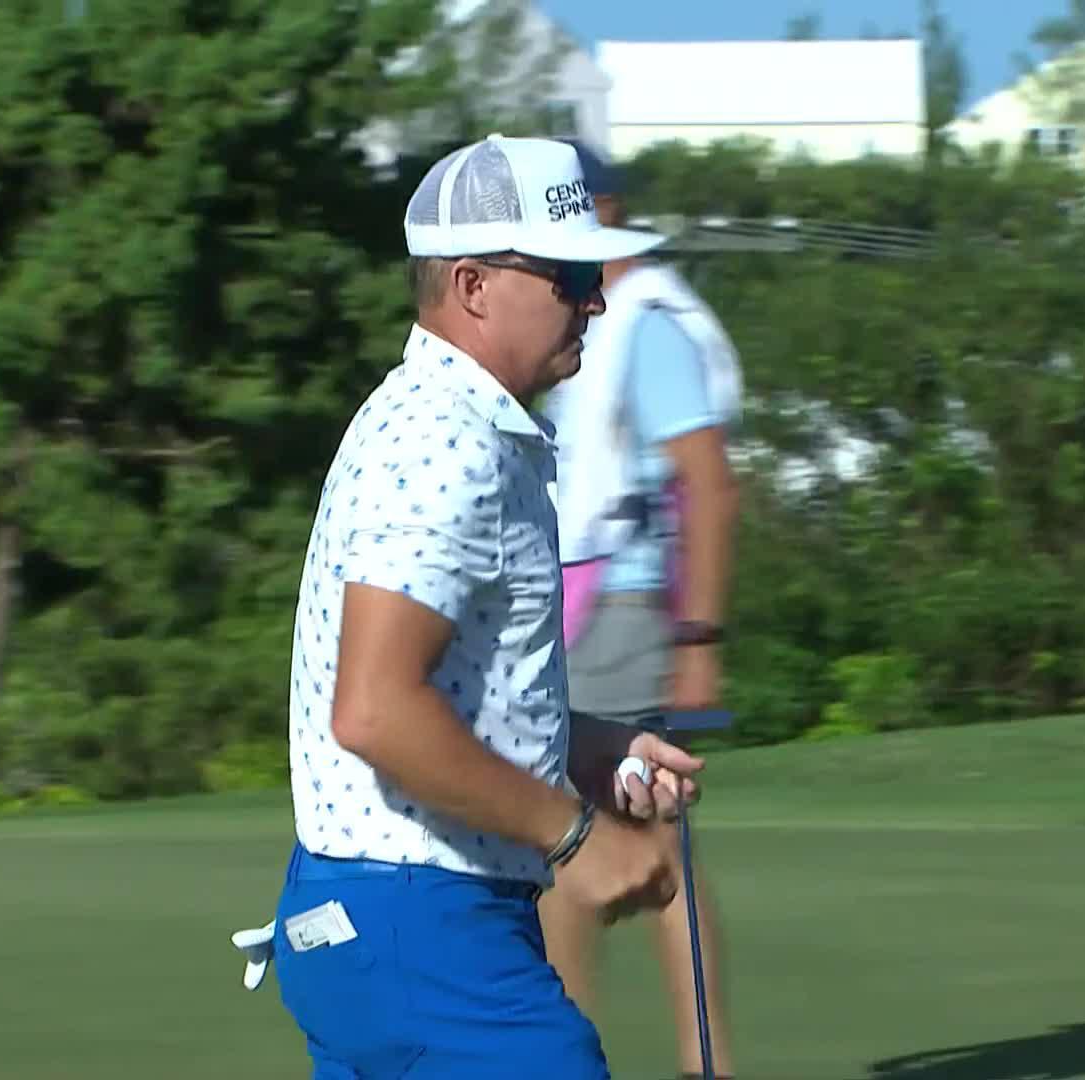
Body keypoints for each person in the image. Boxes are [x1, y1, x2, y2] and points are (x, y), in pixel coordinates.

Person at [263, 133, 708, 1080]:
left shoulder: (444, 422)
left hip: (380, 924)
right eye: (566, 274)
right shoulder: (444, 446)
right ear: (472, 285)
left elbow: (448, 685)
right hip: (424, 929)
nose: (595, 297)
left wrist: (587, 745)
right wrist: (578, 837)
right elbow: (376, 710)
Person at [538, 139, 745, 1080]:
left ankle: (566, 1059)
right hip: (590, 604)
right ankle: (705, 1064)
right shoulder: (600, 318)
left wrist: (698, 637)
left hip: (618, 609)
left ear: (607, 211)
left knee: (568, 847)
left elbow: (708, 481)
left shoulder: (642, 324)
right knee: (653, 850)